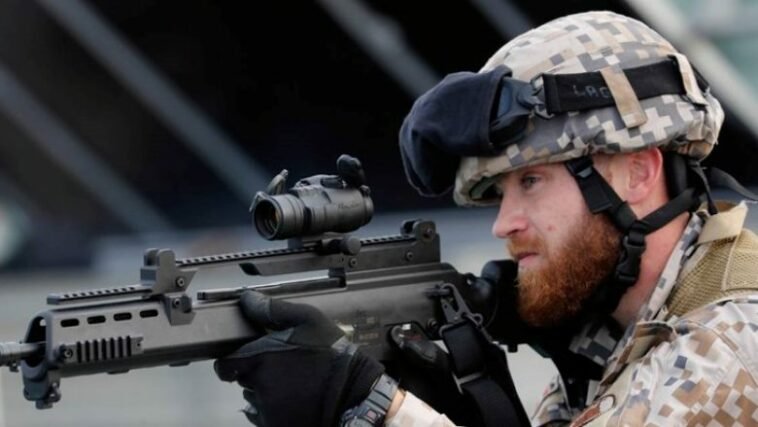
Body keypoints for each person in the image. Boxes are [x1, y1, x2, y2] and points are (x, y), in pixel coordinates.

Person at [214, 10, 758, 427]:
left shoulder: (732, 343)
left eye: (531, 181)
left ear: (637, 173)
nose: (504, 223)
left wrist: (378, 407)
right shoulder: (615, 343)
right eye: (500, 193)